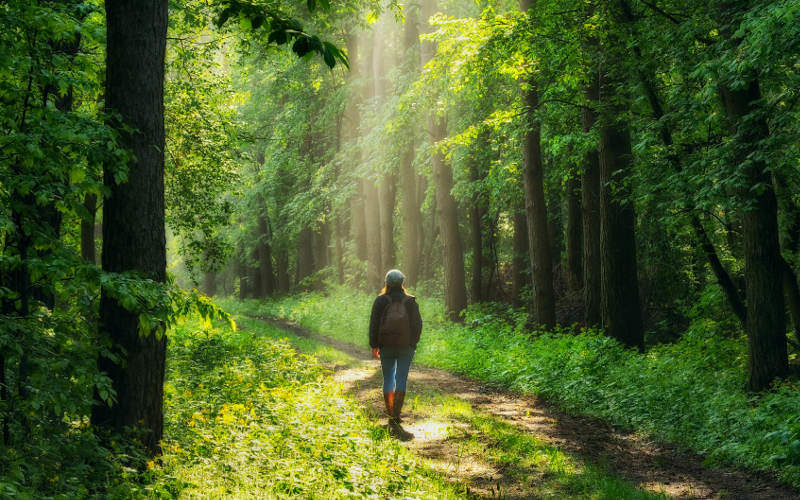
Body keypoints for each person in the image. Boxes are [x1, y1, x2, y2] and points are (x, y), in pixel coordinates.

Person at [369, 269, 422, 440]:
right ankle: (396, 417)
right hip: (406, 346)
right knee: (401, 378)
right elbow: (417, 325)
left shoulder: (380, 301)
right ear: (402, 283)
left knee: (388, 379)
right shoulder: (410, 301)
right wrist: (413, 343)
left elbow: (374, 324)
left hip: (386, 345)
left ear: (387, 283)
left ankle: (391, 416)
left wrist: (374, 344)